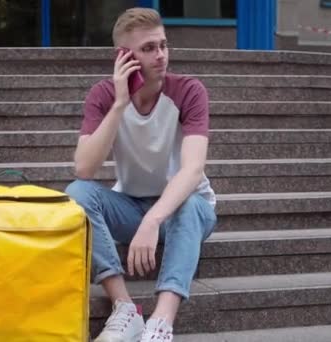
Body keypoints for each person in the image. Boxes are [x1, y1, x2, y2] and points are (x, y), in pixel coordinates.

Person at [65, 7, 217, 342]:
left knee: (190, 203)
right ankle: (125, 309)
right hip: (132, 206)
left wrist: (152, 221)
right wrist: (120, 104)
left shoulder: (189, 91)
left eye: (163, 45)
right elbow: (85, 169)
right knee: (77, 194)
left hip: (185, 211)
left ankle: (161, 322)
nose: (161, 55)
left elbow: (193, 170)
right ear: (124, 57)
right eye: (148, 48)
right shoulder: (103, 97)